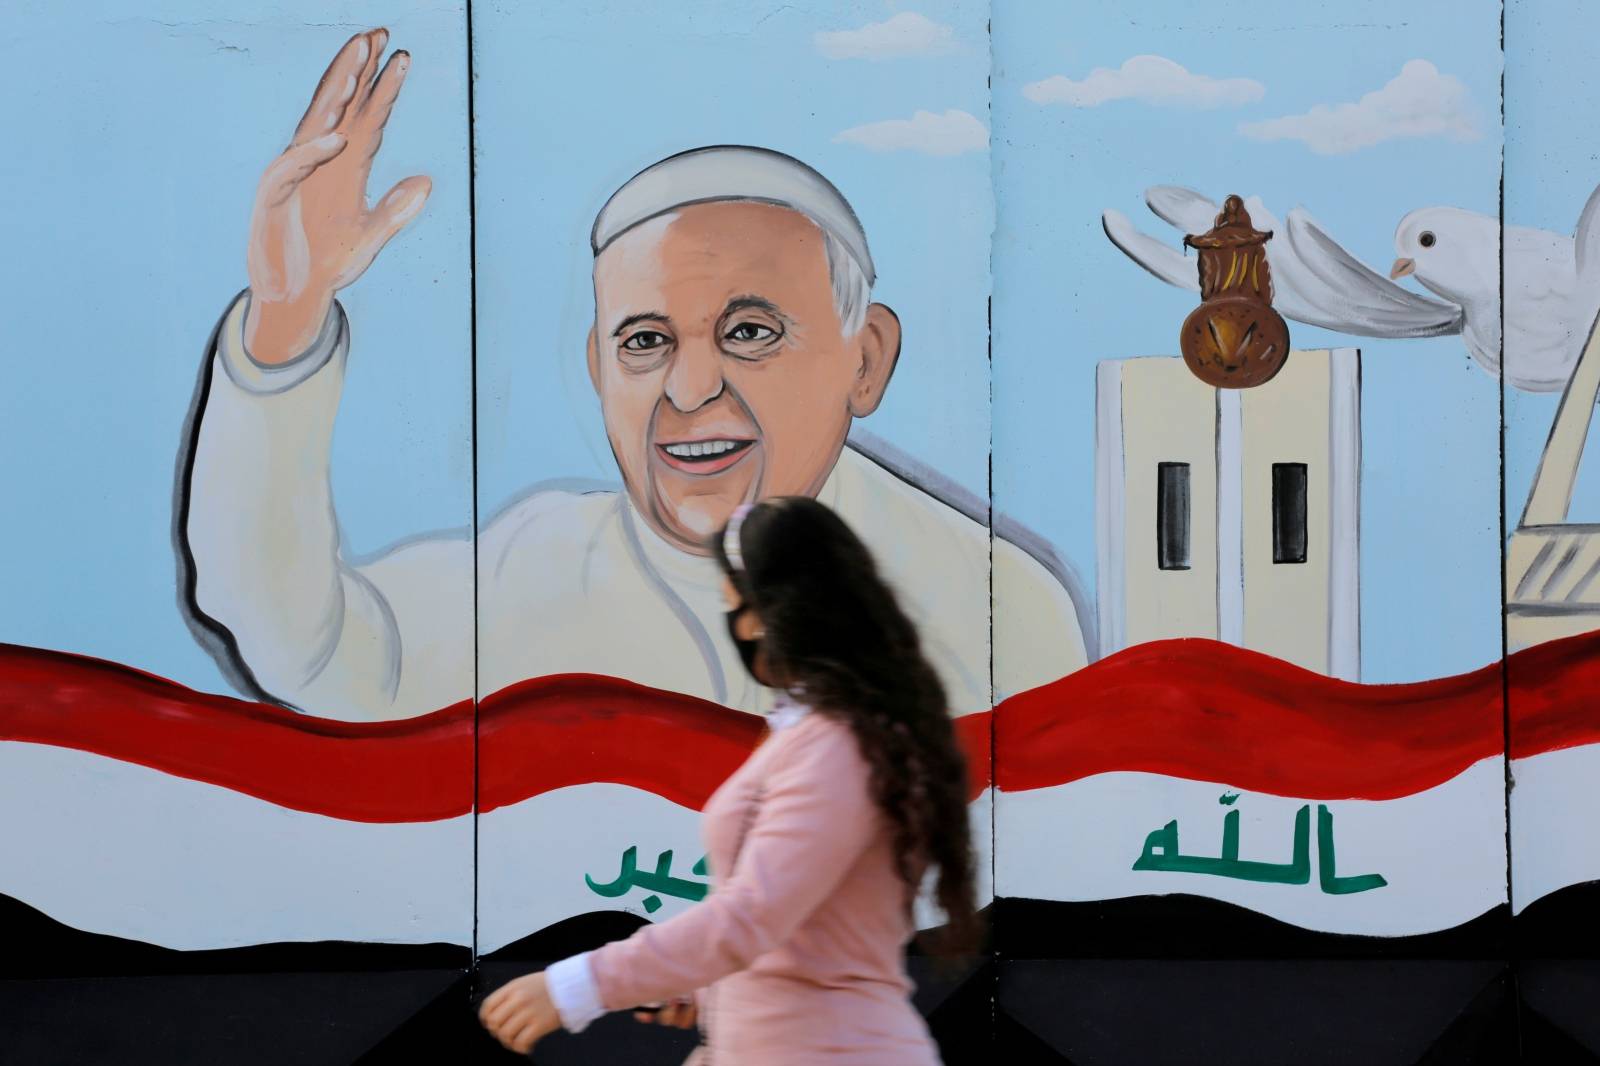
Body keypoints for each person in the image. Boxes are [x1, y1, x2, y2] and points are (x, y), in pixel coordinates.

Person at [182, 28, 1089, 723]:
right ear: (598, 368)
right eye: (645, 342)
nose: (689, 390)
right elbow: (297, 641)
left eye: (748, 331)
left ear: (866, 360)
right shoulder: (519, 581)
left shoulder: (1002, 613)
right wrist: (286, 322)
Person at [479, 497, 977, 1062]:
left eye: (733, 603)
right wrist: (710, 991)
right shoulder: (816, 733)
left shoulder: (837, 745)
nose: (733, 623)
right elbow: (791, 929)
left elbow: (754, 914)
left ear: (768, 613)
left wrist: (577, 987)